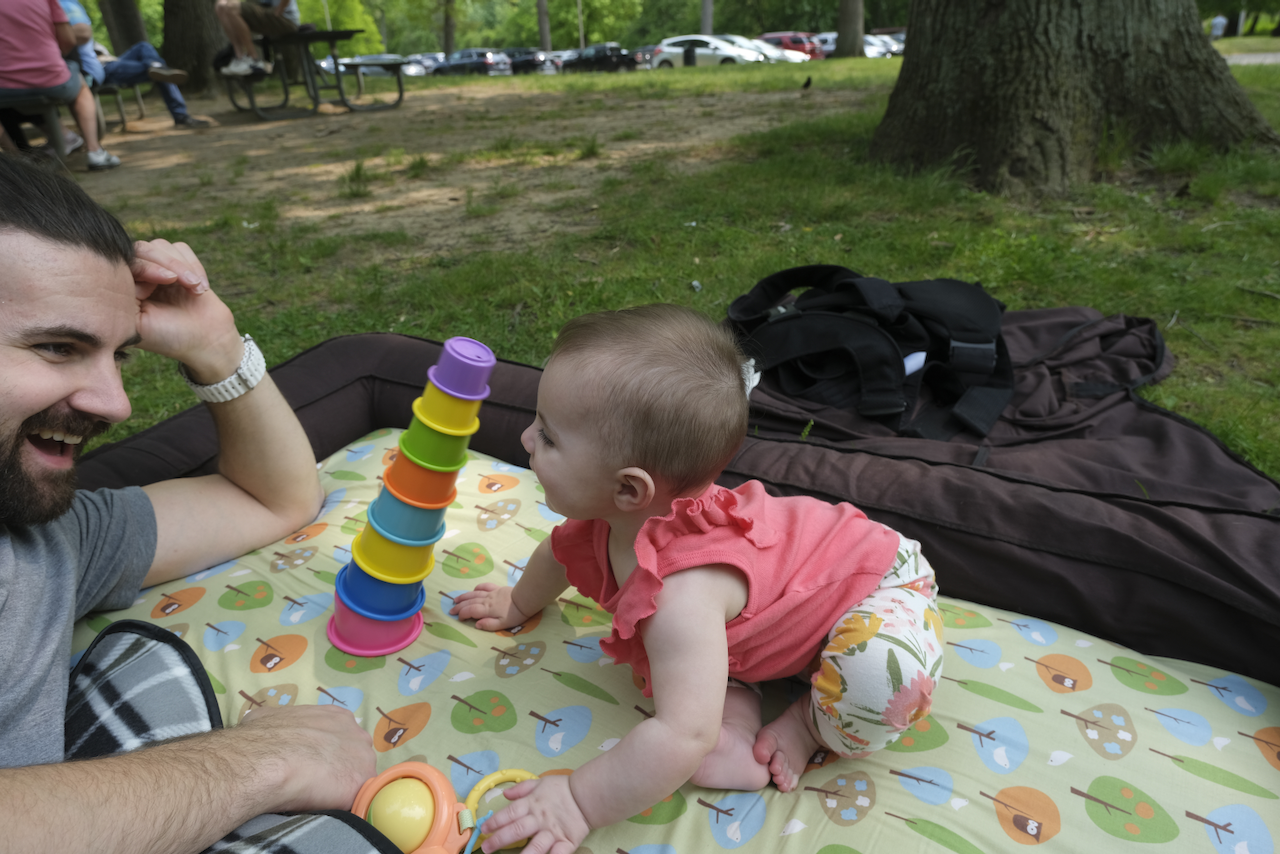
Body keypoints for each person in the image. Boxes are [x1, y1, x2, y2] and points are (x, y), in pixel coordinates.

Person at [450, 304, 944, 854]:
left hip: (874, 585)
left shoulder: (683, 594)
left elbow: (683, 735)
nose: (524, 439)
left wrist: (579, 801)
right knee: (692, 675)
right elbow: (557, 556)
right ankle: (737, 716)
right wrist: (517, 603)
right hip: (774, 617)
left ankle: (806, 727)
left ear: (631, 490)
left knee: (881, 679)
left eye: (548, 436)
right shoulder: (606, 522)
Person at [0, 155, 382, 854]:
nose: (117, 403)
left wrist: (215, 348)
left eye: (121, 355)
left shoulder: (43, 536)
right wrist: (258, 764)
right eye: (57, 347)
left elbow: (272, 498)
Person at [0, 0, 119, 168]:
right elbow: (68, 40)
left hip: (4, 86)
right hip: (50, 78)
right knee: (78, 80)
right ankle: (94, 150)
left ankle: (16, 161)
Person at [60, 0, 211, 129]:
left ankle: (157, 67)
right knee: (160, 72)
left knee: (143, 47)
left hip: (110, 60)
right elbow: (82, 35)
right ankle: (180, 113)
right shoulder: (61, 7)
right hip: (102, 68)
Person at [215, 0, 301, 77]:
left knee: (231, 7)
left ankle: (254, 59)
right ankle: (240, 57)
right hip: (266, 12)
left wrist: (279, 9)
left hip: (285, 19)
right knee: (220, 5)